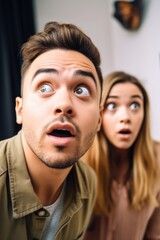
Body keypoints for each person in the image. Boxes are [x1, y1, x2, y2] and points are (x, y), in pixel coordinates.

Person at [0, 21, 103, 240]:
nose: (64, 103)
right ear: (20, 109)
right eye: (45, 87)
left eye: (81, 89)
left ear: (99, 119)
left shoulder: (88, 183)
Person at [83, 71, 160, 240]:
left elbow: (155, 235)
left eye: (134, 105)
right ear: (98, 114)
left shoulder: (157, 158)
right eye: (112, 106)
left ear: (144, 113)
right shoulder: (78, 161)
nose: (125, 117)